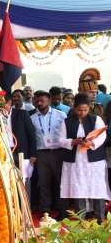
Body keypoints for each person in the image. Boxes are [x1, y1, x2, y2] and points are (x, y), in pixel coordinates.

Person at [58, 93, 111, 222]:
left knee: (97, 189)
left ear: (89, 108)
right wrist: (73, 141)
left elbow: (102, 136)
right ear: (74, 108)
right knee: (78, 190)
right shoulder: (67, 121)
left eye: (85, 110)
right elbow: (60, 140)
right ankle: (81, 220)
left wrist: (91, 143)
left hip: (94, 162)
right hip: (75, 162)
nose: (82, 113)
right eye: (79, 110)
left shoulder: (96, 119)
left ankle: (100, 219)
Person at [30, 90, 67, 217]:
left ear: (49, 101)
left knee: (61, 182)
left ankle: (63, 210)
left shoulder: (61, 115)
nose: (39, 103)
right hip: (41, 154)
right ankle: (45, 210)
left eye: (42, 100)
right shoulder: (32, 118)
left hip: (58, 152)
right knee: (43, 183)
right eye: (37, 101)